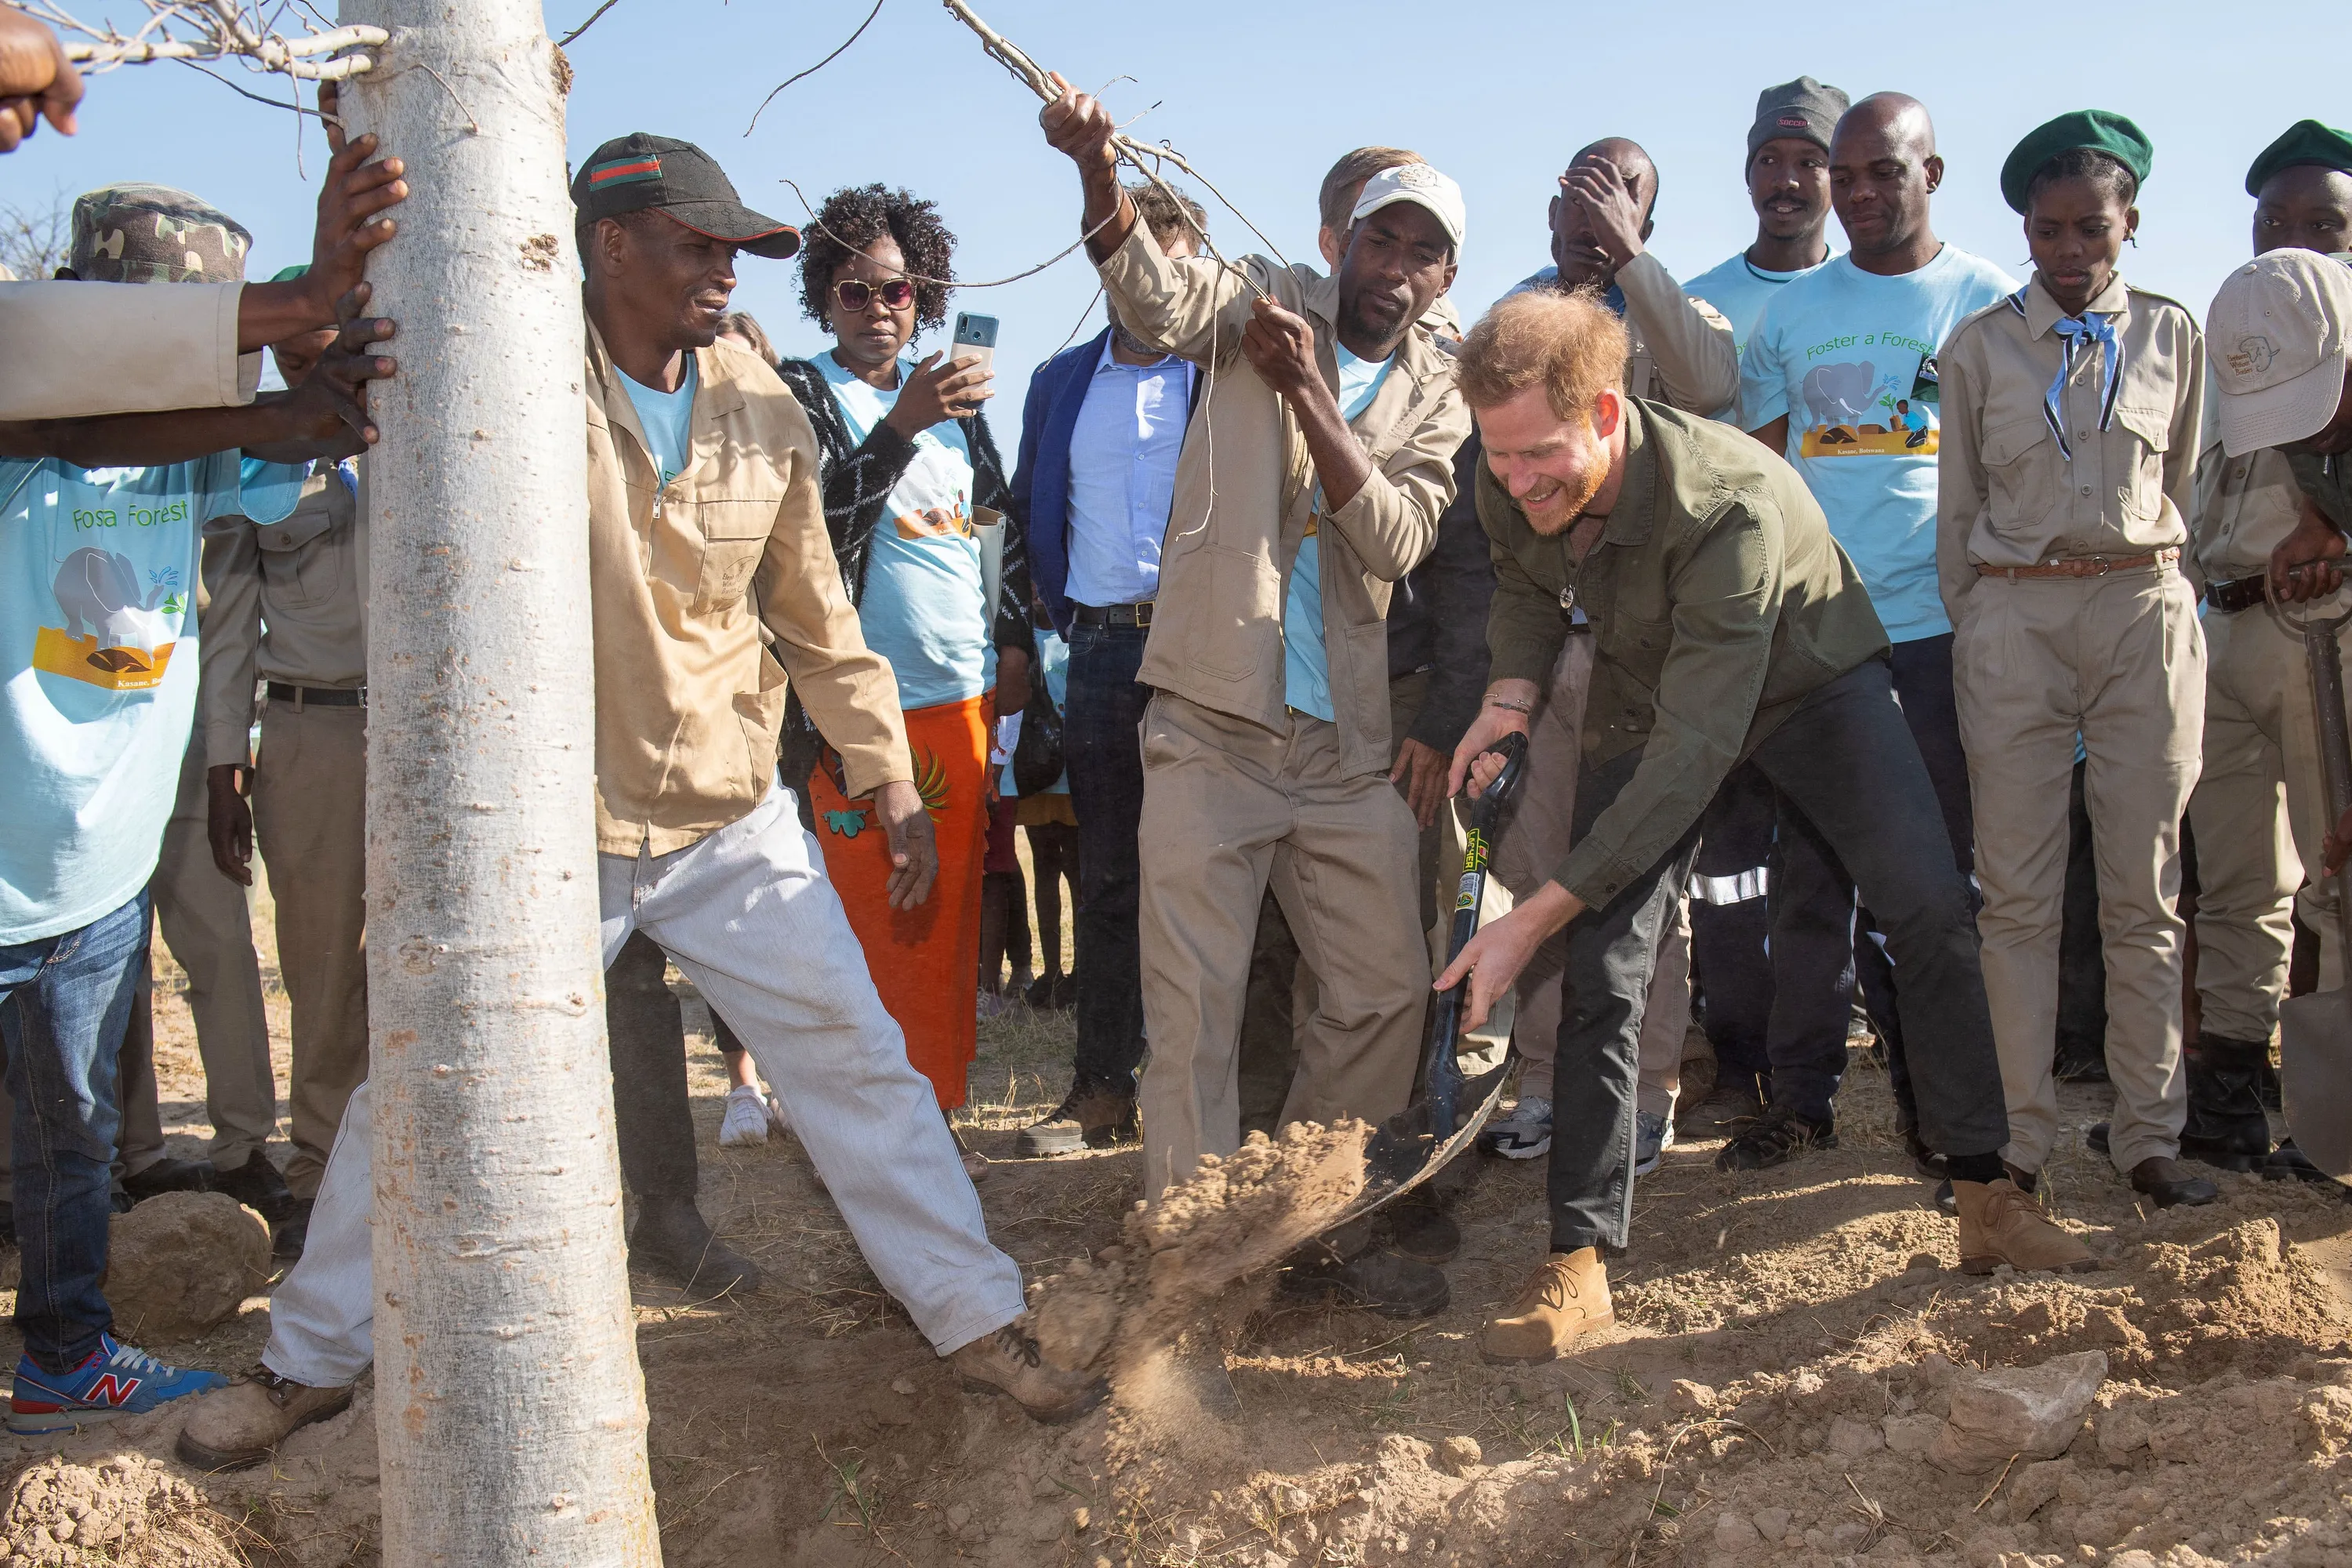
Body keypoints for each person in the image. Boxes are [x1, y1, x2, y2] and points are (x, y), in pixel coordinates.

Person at [176, 133, 1100, 1472]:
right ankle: (304, 1363)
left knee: (857, 1067)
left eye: (738, 251)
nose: (729, 273)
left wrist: (888, 776)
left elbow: (816, 616)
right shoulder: (496, 370)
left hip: (728, 816)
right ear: (610, 246)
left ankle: (979, 1325)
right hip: (551, 824)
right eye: (701, 246)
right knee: (424, 1081)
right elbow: (308, 454)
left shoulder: (760, 399)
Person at [1439, 288, 2095, 1365]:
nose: (1515, 481)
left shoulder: (1726, 501)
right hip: (1649, 676)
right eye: (1498, 460)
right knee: (1610, 964)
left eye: (1536, 457)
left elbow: (1695, 756)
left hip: (1806, 678)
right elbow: (1522, 580)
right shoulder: (1510, 457)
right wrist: (1509, 698)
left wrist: (1531, 915)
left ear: (1608, 413)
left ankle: (1987, 1191)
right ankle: (1580, 1262)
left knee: (1928, 910)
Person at [1040, 82, 1472, 1316]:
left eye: (1423, 251)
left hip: (1345, 748)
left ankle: (1301, 1215)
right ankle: (1191, 1277)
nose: (1395, 266)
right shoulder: (1261, 298)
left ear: (1446, 277)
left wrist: (1309, 399)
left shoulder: (1441, 388)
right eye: (1380, 238)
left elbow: (1391, 541)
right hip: (1210, 729)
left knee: (1387, 989)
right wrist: (1097, 175)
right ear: (1341, 242)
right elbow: (1152, 294)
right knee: (1192, 1018)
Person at [0, 180, 387, 1437]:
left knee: (74, 1140)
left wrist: (318, 384)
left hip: (96, 872)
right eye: (184, 332)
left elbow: (290, 459)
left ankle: (64, 1352)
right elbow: (88, 425)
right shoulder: (22, 431)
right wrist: (278, 357)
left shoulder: (212, 445)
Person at [1731, 92, 2018, 1168]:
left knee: (1934, 890)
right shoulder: (1794, 314)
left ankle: (1942, 1121)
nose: (1855, 195)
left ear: (1929, 176)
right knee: (1811, 881)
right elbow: (1760, 477)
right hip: (1820, 636)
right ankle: (1799, 1100)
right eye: (1841, 177)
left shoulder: (1988, 301)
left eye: (1879, 174)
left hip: (1944, 630)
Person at [1936, 112, 2214, 1210]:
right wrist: (1987, 627)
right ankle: (2019, 1139)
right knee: (2015, 897)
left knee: (2147, 888)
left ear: (2129, 224)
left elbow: (2183, 481)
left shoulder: (2173, 336)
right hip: (2016, 620)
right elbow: (1960, 514)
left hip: (2141, 613)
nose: (2068, 252)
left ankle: (2149, 1134)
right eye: (2047, 231)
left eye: (2091, 230)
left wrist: (2159, 593)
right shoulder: (1978, 349)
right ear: (2023, 229)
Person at [1480, 136, 1737, 1169]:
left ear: (1647, 219)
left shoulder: (1678, 313)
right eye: (1576, 190)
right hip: (1549, 645)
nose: (1591, 207)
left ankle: (1646, 1090)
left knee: (1643, 881)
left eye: (1619, 191)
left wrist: (1631, 264)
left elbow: (1712, 387)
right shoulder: (1508, 321)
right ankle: (1542, 1085)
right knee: (1539, 870)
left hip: (1650, 656)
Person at [772, 183, 1033, 1160]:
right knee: (862, 925)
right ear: (823, 298)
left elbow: (998, 531)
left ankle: (938, 1116)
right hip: (857, 718)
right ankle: (862, 1131)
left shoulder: (961, 406)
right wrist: (898, 424)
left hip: (960, 705)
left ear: (923, 298)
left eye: (899, 291)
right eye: (855, 291)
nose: (879, 309)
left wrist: (1014, 647)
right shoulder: (802, 394)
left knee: (945, 922)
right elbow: (815, 535)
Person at [1007, 180, 1207, 1156]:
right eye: (1125, 261)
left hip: (1205, 651)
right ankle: (1100, 1087)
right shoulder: (1058, 382)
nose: (1146, 283)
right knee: (1110, 870)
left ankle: (1204, 1086)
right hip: (1097, 651)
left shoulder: (1222, 379)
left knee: (1209, 866)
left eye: (1167, 263)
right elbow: (1027, 513)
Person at [2183, 122, 2352, 1182]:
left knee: (2337, 880)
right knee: (2233, 880)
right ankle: (2229, 1103)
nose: (2295, 239)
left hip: (2322, 633)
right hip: (2224, 628)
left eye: (2325, 223)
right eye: (2275, 219)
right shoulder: (2242, 333)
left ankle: (2333, 1128)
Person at [199, 270, 374, 1257]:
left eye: (325, 349)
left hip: (428, 730)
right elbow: (229, 629)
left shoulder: (420, 442)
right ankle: (316, 1167)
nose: (310, 371)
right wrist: (231, 761)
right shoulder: (258, 461)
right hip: (310, 735)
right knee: (318, 962)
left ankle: (407, 1152)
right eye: (291, 358)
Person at [0, 83, 405, 422]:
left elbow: (295, 431)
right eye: (145, 330)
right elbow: (61, 438)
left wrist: (368, 131)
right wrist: (308, 300)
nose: (163, 361)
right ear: (67, 294)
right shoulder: (21, 407)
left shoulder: (214, 443)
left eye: (197, 341)